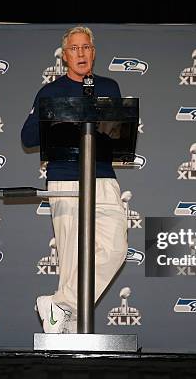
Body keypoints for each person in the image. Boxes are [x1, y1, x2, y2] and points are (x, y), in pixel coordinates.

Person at [21, 26, 128, 333]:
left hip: (103, 178)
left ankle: (61, 304)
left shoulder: (110, 86)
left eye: (86, 48)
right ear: (64, 56)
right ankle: (66, 322)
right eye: (74, 49)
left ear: (94, 52)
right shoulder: (50, 92)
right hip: (65, 178)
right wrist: (62, 117)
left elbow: (119, 133)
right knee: (71, 261)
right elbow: (28, 137)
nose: (81, 54)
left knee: (116, 247)